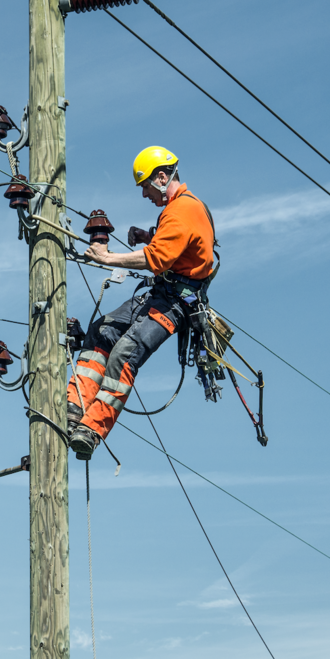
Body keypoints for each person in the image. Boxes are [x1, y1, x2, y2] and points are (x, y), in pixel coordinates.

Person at [66, 146, 217, 459]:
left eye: (146, 186)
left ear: (161, 177)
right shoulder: (179, 208)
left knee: (124, 354)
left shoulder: (183, 209)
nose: (145, 194)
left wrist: (108, 258)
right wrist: (148, 235)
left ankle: (91, 430)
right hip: (161, 293)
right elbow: (181, 243)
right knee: (102, 331)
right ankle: (74, 407)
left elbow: (156, 259)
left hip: (177, 303)